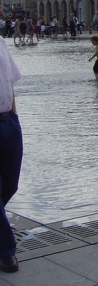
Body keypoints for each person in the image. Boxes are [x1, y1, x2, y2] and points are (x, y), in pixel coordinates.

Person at [0, 37, 23, 273]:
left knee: (10, 184)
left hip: (8, 121)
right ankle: (6, 250)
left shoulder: (0, 42)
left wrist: (14, 115)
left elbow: (9, 80)